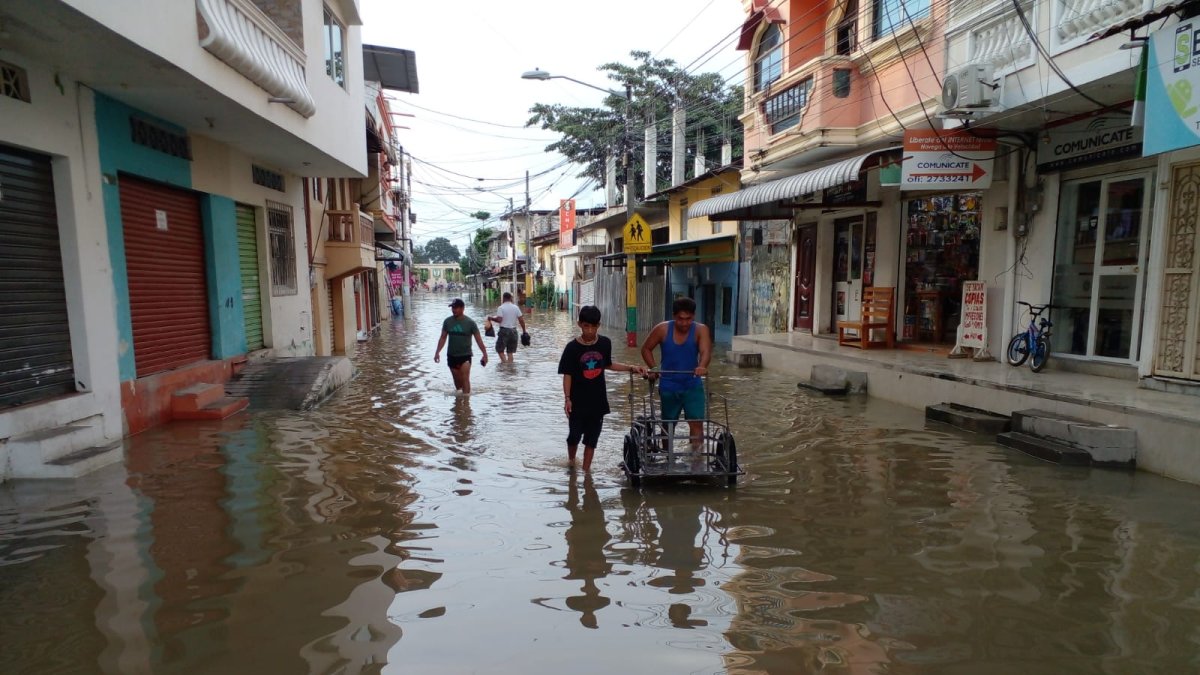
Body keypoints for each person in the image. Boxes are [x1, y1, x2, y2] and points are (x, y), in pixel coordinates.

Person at [558, 305, 646, 472]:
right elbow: (567, 374)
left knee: (592, 440)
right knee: (574, 436)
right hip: (577, 401)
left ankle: (586, 473)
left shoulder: (605, 343)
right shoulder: (572, 348)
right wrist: (567, 399)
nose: (589, 330)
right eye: (586, 326)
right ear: (579, 325)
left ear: (598, 325)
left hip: (598, 401)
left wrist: (631, 368)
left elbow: (608, 364)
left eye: (593, 326)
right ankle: (571, 461)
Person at [640, 297, 712, 466]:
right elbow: (646, 349)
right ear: (674, 316)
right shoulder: (663, 329)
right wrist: (655, 368)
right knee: (668, 424)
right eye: (680, 318)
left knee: (696, 422)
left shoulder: (701, 330)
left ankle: (696, 461)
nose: (684, 323)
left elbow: (705, 352)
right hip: (669, 385)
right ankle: (668, 458)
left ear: (693, 317)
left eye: (688, 319)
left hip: (692, 384)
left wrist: (702, 366)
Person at [434, 298, 488, 394]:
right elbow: (442, 338)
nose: (454, 310)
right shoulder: (447, 322)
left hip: (465, 355)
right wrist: (437, 352)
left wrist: (484, 354)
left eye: (456, 308)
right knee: (458, 383)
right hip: (452, 355)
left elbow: (478, 339)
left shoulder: (470, 323)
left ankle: (466, 404)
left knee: (465, 378)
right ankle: (459, 403)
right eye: (452, 308)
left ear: (463, 308)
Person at [488, 292, 527, 363]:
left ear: (503, 298)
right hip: (514, 331)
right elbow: (521, 320)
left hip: (504, 331)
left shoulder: (501, 307)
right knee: (510, 352)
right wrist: (524, 331)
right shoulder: (516, 307)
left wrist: (491, 318)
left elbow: (499, 320)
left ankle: (505, 365)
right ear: (510, 298)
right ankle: (510, 368)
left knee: (500, 350)